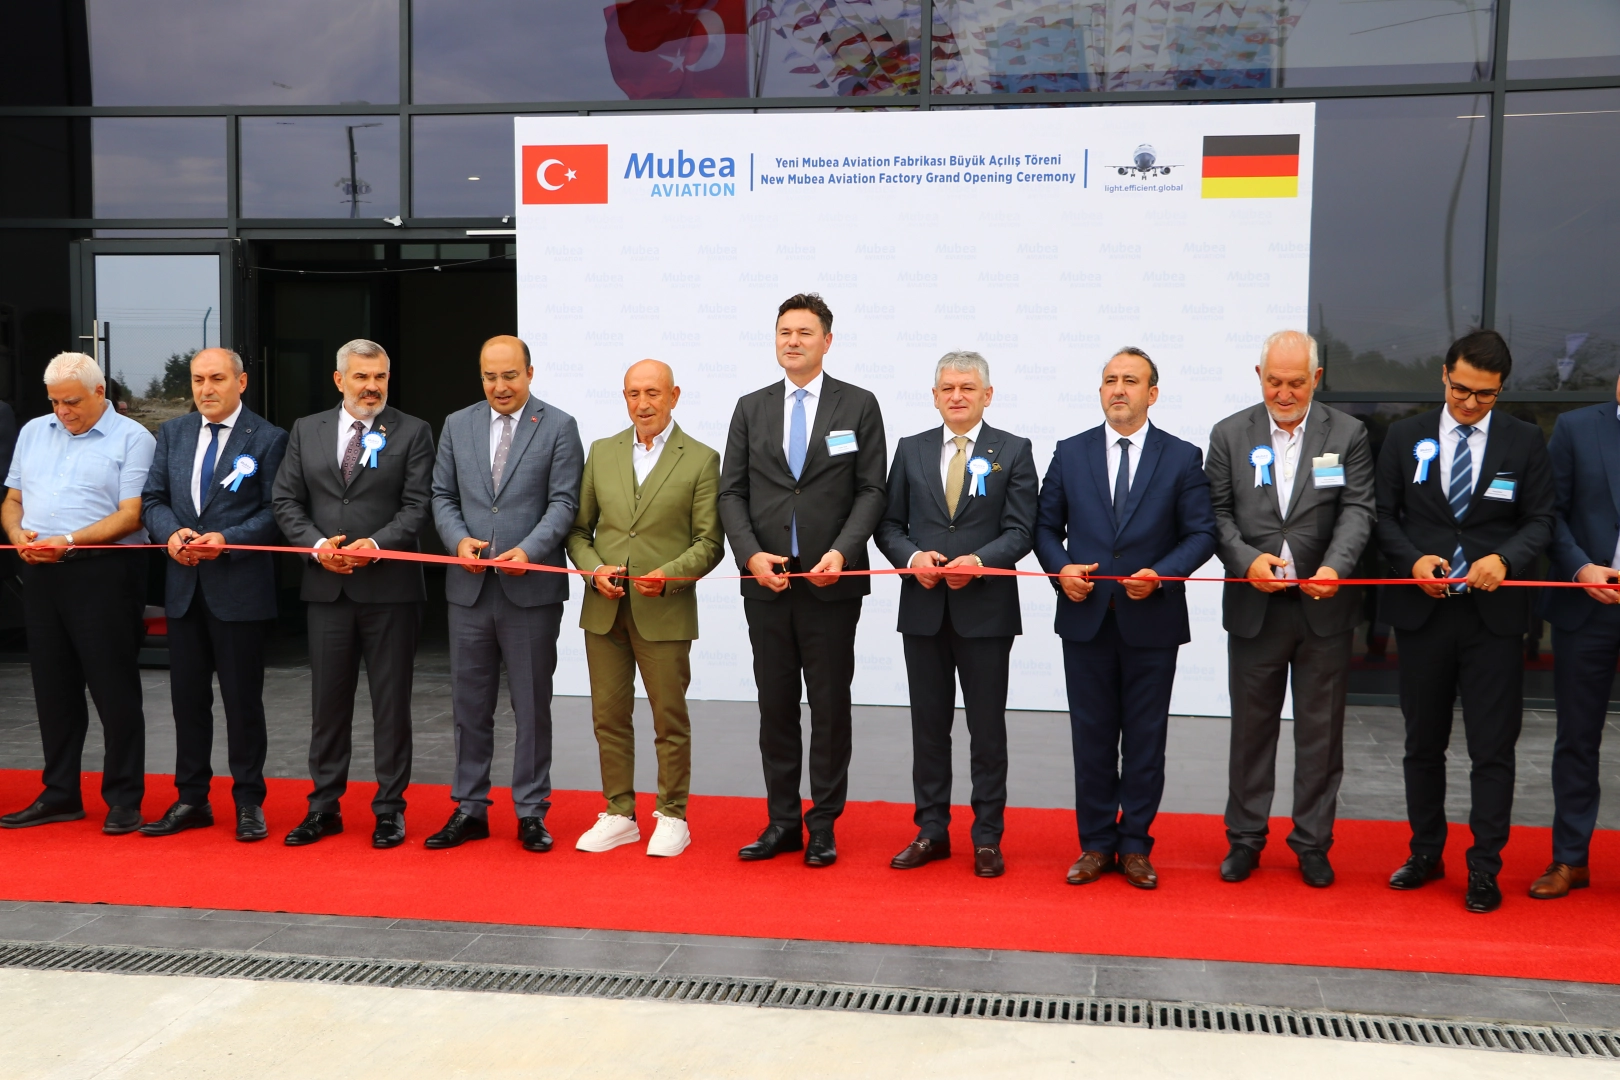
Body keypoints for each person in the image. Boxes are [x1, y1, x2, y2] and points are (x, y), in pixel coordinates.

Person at [1375, 329, 1553, 913]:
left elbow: (1541, 519)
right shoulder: (1405, 436)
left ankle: (1484, 867)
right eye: (1461, 389)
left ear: (1501, 390)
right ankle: (1425, 852)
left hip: (1492, 620)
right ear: (1444, 375)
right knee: (1422, 744)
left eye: (1485, 394)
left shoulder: (1524, 440)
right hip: (1423, 614)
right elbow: (1383, 515)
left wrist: (1505, 559)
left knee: (1492, 749)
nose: (1470, 403)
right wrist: (1411, 560)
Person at [1033, 347, 1216, 890]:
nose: (1118, 388)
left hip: (1152, 620)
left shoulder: (1181, 457)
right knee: (1090, 738)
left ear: (1151, 394)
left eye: (1130, 380)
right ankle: (1095, 844)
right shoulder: (1070, 453)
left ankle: (1135, 845)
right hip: (1085, 618)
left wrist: (1163, 574)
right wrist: (1061, 570)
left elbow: (1201, 533)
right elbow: (1045, 529)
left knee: (1145, 740)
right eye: (1110, 379)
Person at [719, 292, 887, 868]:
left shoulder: (858, 405)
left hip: (830, 584)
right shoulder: (751, 407)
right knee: (775, 707)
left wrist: (842, 552)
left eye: (804, 332)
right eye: (784, 332)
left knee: (829, 707)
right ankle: (783, 822)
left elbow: (871, 490)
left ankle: (823, 825)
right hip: (767, 583)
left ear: (827, 341)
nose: (792, 341)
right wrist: (750, 557)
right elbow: (731, 492)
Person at [1205, 330, 1375, 888]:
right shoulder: (1229, 434)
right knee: (1251, 732)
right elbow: (1216, 514)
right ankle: (1245, 839)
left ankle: (1312, 843)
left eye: (1296, 382)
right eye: (1274, 381)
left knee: (1320, 735)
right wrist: (1246, 561)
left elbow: (1357, 510)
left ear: (1316, 379)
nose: (1284, 393)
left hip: (1324, 607)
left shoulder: (1347, 434)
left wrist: (1335, 568)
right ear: (1259, 377)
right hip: (1255, 607)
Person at [874, 350, 1037, 879]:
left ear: (987, 395)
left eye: (967, 387)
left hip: (985, 612)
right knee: (928, 728)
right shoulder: (911, 449)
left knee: (987, 731)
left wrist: (980, 562)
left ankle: (987, 837)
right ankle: (931, 831)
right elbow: (889, 525)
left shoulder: (1013, 450)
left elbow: (1021, 529)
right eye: (947, 388)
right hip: (923, 609)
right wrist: (912, 559)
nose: (957, 396)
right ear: (934, 396)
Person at [271, 338, 435, 849]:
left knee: (391, 705)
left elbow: (418, 505)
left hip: (390, 590)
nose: (372, 386)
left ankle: (389, 810)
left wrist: (377, 545)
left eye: (380, 376)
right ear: (339, 379)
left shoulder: (413, 431)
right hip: (327, 589)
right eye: (361, 377)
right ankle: (323, 808)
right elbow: (285, 499)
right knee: (328, 706)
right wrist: (318, 546)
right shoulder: (307, 429)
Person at [426, 335, 582, 853]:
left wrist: (529, 550)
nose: (499, 386)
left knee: (532, 706)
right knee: (469, 706)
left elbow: (564, 503)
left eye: (510, 375)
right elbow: (442, 495)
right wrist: (458, 540)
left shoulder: (558, 426)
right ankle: (470, 808)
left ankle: (532, 812)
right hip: (469, 590)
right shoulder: (457, 424)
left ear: (530, 373)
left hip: (530, 589)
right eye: (490, 377)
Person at [566, 359, 723, 857]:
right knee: (608, 717)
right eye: (633, 393)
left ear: (674, 396)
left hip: (665, 612)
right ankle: (619, 812)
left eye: (653, 393)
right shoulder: (601, 451)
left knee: (668, 720)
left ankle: (672, 815)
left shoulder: (701, 459)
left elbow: (709, 543)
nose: (643, 403)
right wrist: (594, 569)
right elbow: (578, 531)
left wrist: (670, 575)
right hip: (604, 609)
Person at [0, 352, 155, 835]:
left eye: (71, 402)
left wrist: (66, 541)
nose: (62, 411)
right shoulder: (33, 431)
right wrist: (18, 535)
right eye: (54, 402)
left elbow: (131, 515)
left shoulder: (134, 438)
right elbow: (13, 500)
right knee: (53, 689)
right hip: (41, 574)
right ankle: (60, 793)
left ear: (99, 392)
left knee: (113, 689)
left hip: (105, 572)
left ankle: (124, 798)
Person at [139, 348, 288, 842]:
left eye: (217, 379)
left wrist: (229, 540)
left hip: (238, 588)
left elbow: (276, 511)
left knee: (242, 703)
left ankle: (248, 802)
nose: (206, 389)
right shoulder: (173, 433)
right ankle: (191, 799)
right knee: (187, 701)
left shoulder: (268, 438)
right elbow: (153, 499)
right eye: (198, 379)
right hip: (184, 589)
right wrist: (171, 533)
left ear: (240, 383)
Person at [1535, 375, 1620, 899]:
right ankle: (1570, 859)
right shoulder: (1575, 428)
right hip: (1588, 607)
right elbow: (1550, 513)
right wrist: (1581, 568)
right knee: (1577, 739)